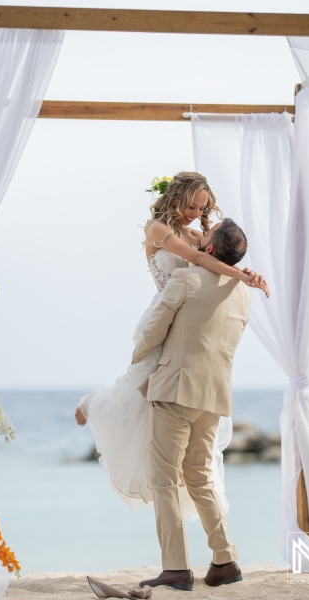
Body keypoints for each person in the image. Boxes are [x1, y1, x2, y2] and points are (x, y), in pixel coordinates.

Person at [75, 172, 268, 517]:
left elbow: (215, 257)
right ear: (176, 198)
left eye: (202, 208)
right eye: (192, 206)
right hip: (162, 316)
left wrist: (245, 272)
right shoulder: (157, 230)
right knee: (136, 395)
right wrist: (240, 276)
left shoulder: (197, 235)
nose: (196, 214)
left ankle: (172, 482)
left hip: (186, 326)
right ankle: (94, 403)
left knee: (154, 413)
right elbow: (196, 260)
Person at [136, 219, 250, 590]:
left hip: (174, 389)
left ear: (212, 250)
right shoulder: (241, 291)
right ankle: (225, 559)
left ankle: (176, 569)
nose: (202, 232)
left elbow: (154, 330)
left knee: (165, 479)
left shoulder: (186, 280)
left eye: (208, 230)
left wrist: (135, 362)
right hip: (214, 395)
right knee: (200, 476)